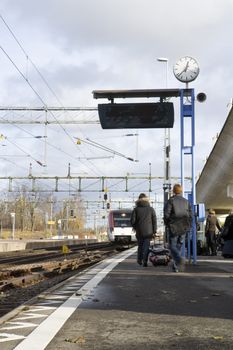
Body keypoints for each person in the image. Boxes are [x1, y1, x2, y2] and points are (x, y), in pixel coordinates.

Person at [164, 184, 192, 272]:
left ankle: (179, 259)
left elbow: (166, 214)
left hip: (174, 227)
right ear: (181, 191)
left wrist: (167, 224)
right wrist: (188, 225)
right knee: (178, 246)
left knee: (172, 246)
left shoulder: (171, 201)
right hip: (183, 227)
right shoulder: (186, 201)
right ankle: (175, 266)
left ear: (173, 191)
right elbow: (190, 215)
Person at [130, 193, 157, 267]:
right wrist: (154, 231)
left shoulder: (136, 210)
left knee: (140, 246)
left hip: (139, 231)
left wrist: (135, 227)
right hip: (148, 232)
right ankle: (145, 261)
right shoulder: (151, 209)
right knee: (146, 247)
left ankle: (139, 260)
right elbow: (154, 221)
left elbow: (132, 221)